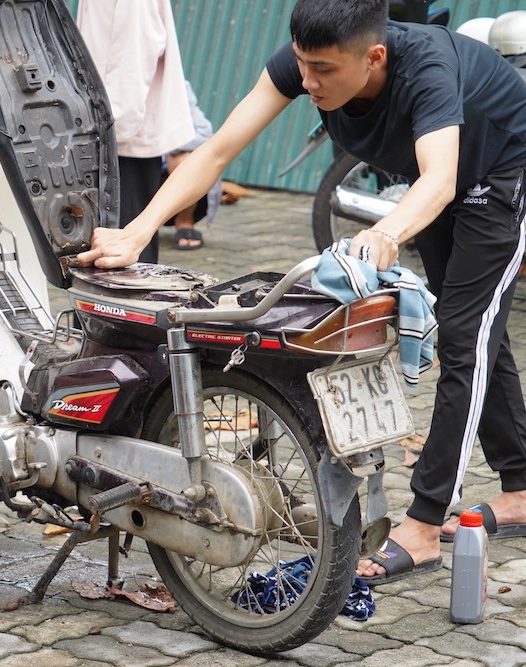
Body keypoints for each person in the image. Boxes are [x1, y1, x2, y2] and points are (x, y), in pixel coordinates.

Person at [77, 0, 526, 587]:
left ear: (375, 56)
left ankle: (422, 521)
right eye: (300, 64)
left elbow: (441, 178)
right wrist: (138, 234)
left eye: (323, 70)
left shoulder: (428, 68)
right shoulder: (305, 64)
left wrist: (386, 231)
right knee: (476, 328)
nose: (307, 82)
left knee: (467, 338)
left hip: (498, 171)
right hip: (440, 181)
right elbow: (216, 151)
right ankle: (521, 487)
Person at [76, 0, 195, 264]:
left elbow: (134, 54)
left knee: (123, 255)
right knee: (115, 246)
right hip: (112, 131)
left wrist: (110, 133)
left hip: (121, 138)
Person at [166, 81, 222, 250]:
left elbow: (205, 136)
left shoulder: (178, 86)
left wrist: (165, 143)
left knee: (182, 159)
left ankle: (184, 221)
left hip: (169, 177)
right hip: (135, 172)